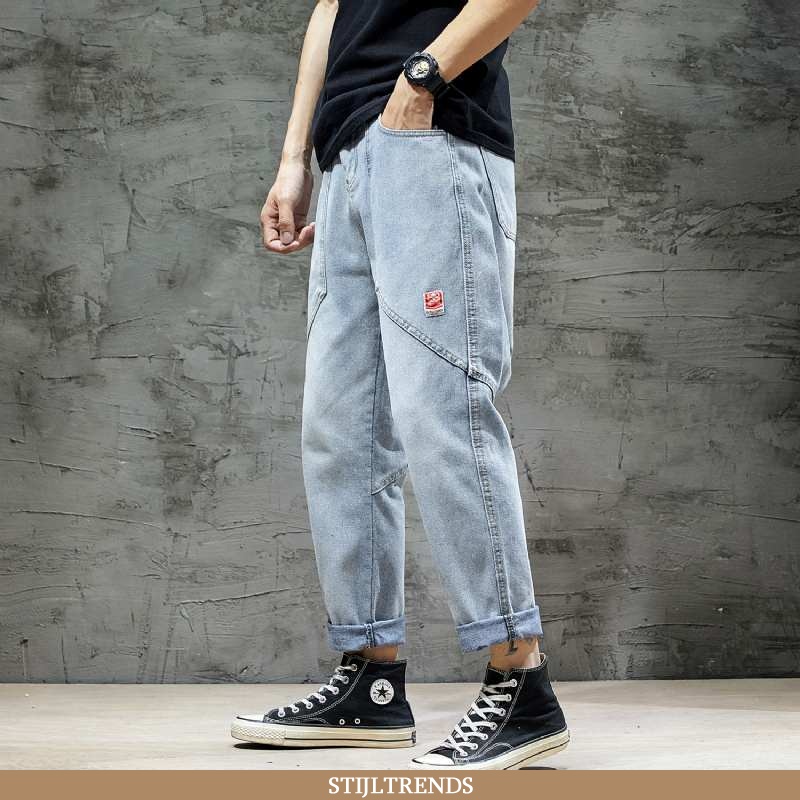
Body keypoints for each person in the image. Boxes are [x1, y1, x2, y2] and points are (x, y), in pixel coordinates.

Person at [230, 0, 569, 769]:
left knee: (444, 412)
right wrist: (295, 157)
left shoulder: (425, 97)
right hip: (349, 151)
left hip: (433, 134)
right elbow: (332, 6)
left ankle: (523, 685)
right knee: (341, 432)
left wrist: (423, 79)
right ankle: (371, 682)